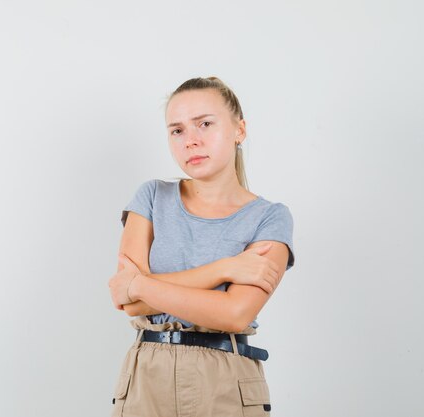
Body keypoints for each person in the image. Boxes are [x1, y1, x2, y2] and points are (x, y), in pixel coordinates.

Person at [107, 76, 295, 417]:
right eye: (177, 130)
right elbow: (129, 304)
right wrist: (223, 269)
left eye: (205, 124)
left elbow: (235, 313)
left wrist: (139, 283)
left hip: (224, 381)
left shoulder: (270, 217)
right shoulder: (152, 197)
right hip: (147, 374)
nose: (190, 140)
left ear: (239, 129)